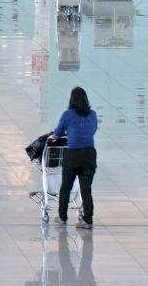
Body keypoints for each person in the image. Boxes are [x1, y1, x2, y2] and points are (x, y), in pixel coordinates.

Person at [49, 86, 98, 229]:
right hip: (89, 154)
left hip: (73, 155)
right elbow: (94, 130)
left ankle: (62, 217)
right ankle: (88, 220)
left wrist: (54, 137)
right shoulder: (93, 114)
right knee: (86, 189)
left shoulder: (68, 114)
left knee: (66, 187)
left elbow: (58, 131)